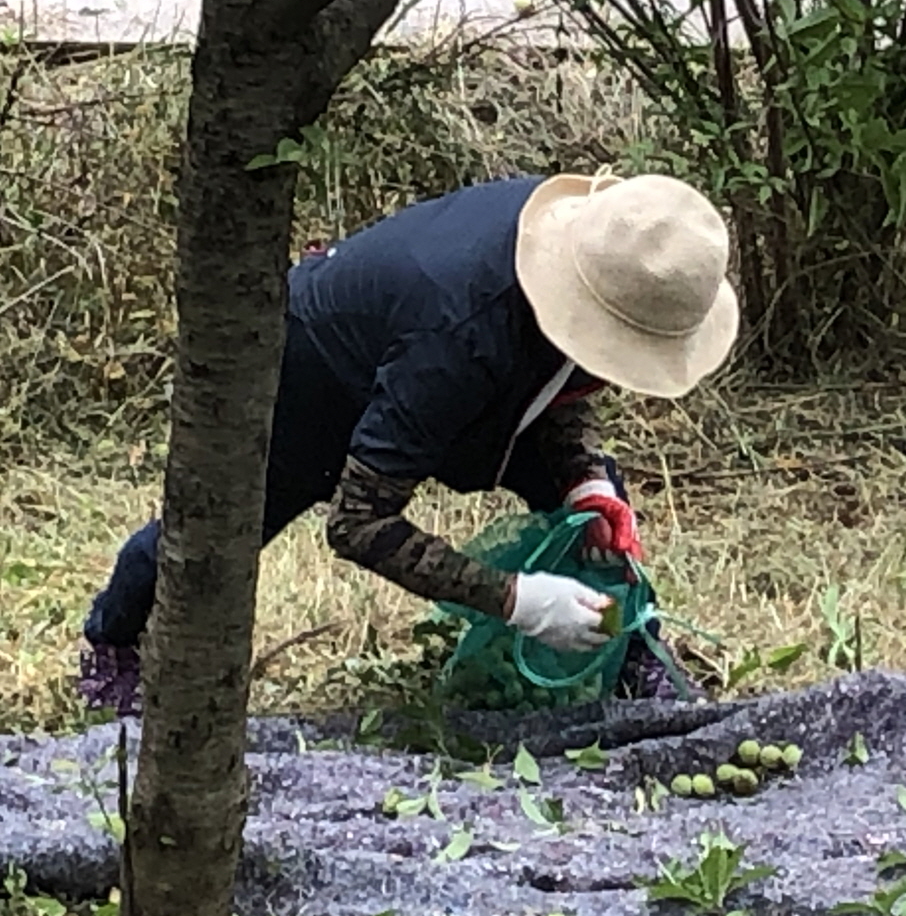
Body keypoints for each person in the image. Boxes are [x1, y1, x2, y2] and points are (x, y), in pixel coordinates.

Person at [79, 171, 739, 717]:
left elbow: (564, 382)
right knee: (211, 534)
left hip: (452, 353)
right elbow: (359, 524)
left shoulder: (594, 255)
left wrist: (584, 478)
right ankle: (110, 644)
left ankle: (635, 654)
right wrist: (518, 600)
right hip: (309, 374)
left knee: (598, 507)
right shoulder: (456, 339)